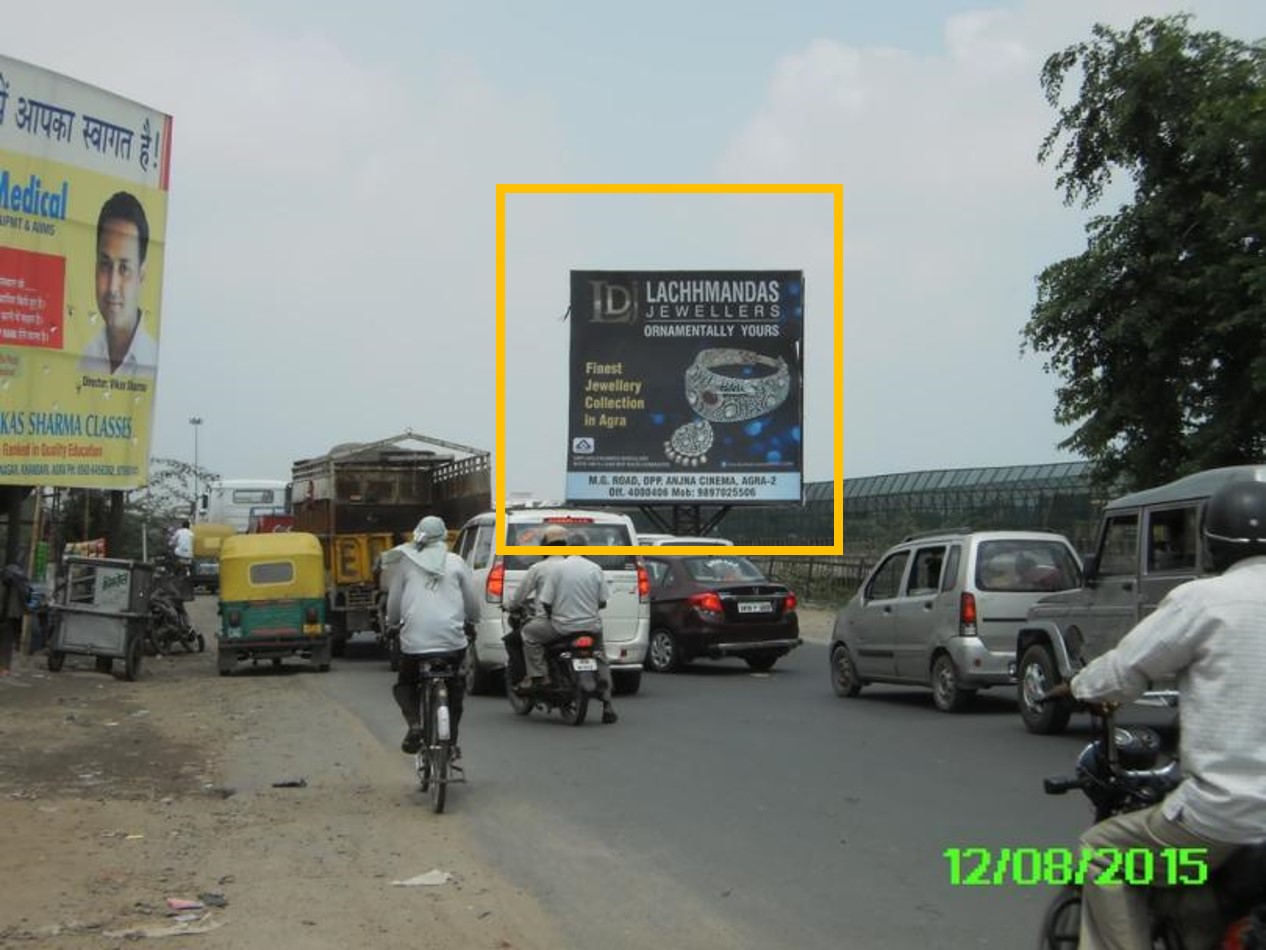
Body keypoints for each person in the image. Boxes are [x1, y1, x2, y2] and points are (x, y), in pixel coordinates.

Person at [1044, 479, 1266, 950]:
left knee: (1100, 853)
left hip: (1224, 814)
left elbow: (1125, 671)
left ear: (1212, 543)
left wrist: (1078, 686)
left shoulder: (1204, 600)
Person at [386, 516, 481, 758]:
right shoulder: (457, 562)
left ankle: (415, 725)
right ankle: (451, 744)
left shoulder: (406, 563)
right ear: (444, 539)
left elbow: (394, 604)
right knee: (455, 688)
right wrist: (471, 622)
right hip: (452, 642)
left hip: (415, 644)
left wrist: (393, 624)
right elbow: (472, 603)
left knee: (406, 683)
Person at [519, 531, 618, 725]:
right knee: (601, 658)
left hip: (562, 627)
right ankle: (607, 705)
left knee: (528, 633)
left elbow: (545, 602)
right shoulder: (595, 569)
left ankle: (540, 675)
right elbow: (603, 602)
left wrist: (551, 614)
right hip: (591, 628)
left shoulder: (558, 569)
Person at [78, 191, 158, 378]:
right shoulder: (85, 360)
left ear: (142, 274)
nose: (113, 287)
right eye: (105, 265)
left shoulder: (155, 367)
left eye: (124, 268)